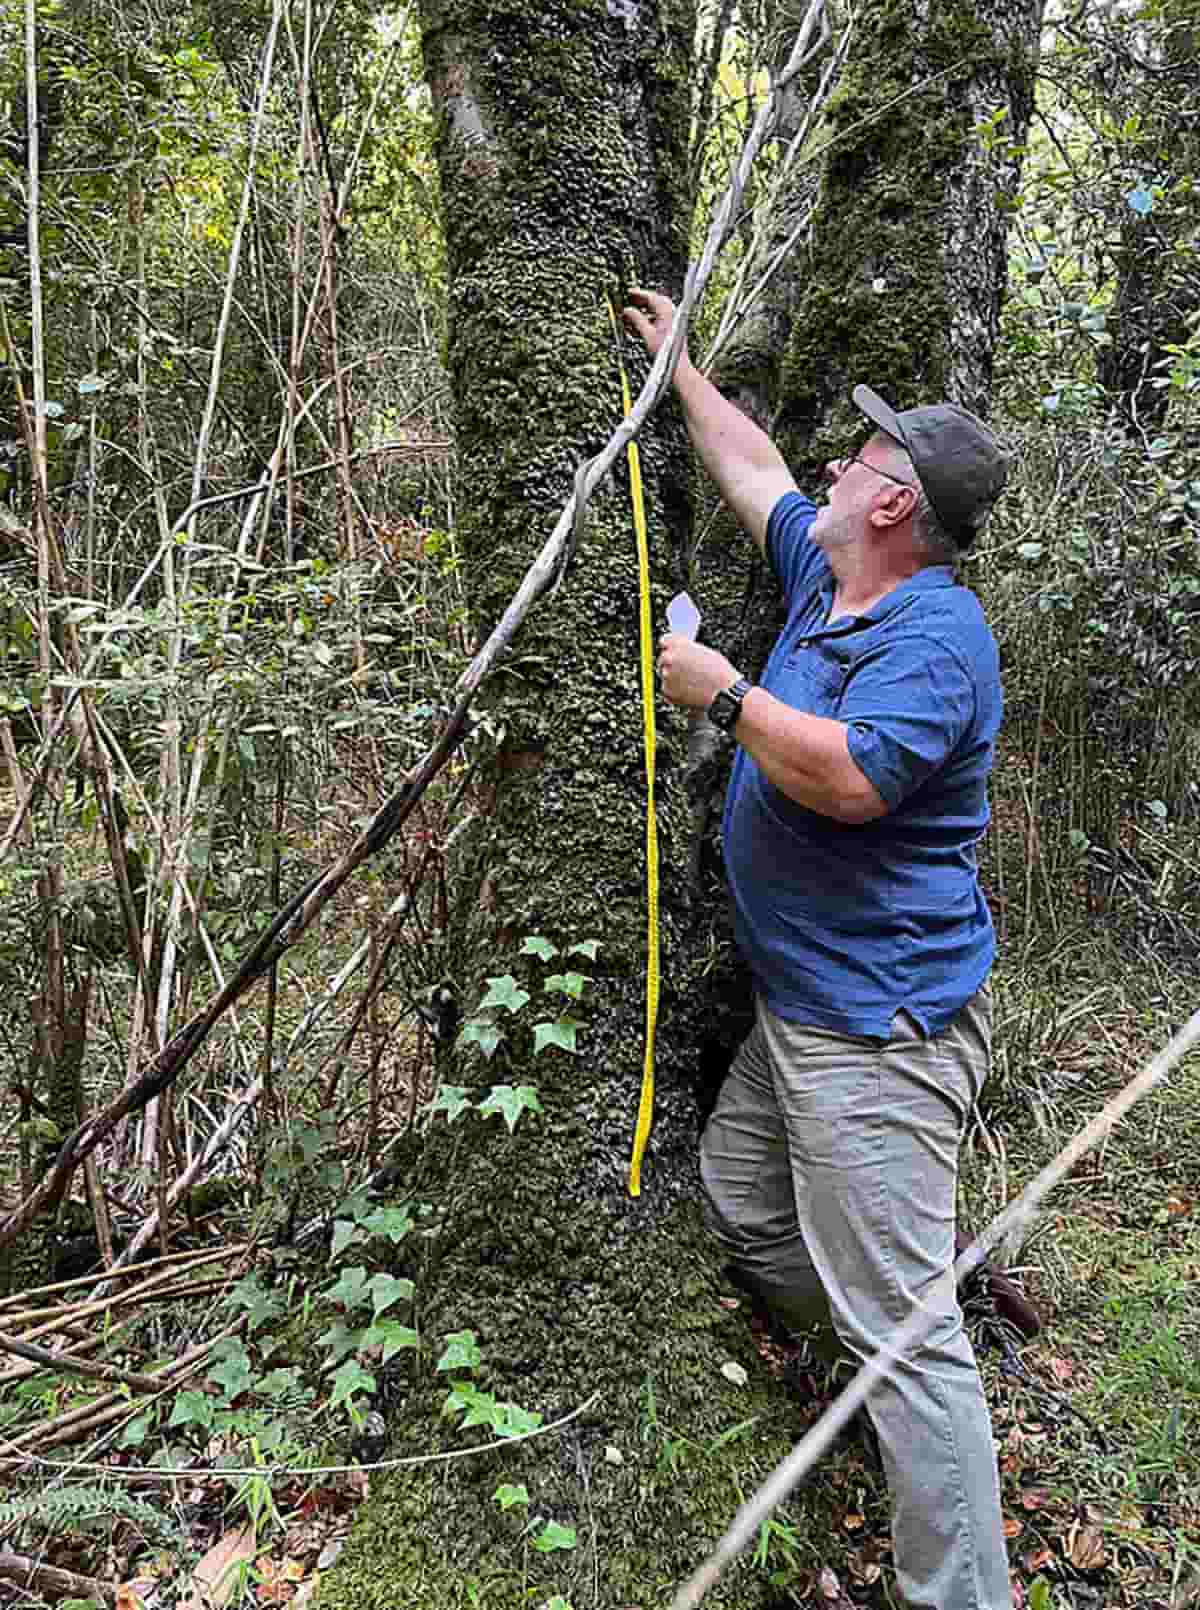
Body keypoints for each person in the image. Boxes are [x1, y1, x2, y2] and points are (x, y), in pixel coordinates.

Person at [623, 287, 1013, 1610]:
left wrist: (723, 693)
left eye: (869, 456)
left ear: (897, 505)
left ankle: (959, 1584)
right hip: (803, 1012)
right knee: (746, 1218)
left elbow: (851, 780)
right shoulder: (823, 572)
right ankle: (891, 1329)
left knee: (906, 1338)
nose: (841, 465)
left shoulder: (938, 637)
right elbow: (755, 468)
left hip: (883, 1035)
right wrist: (681, 367)